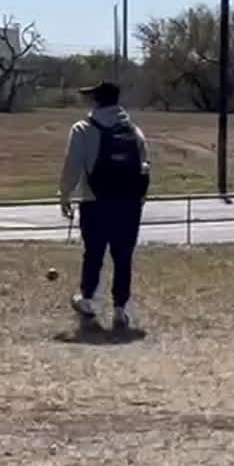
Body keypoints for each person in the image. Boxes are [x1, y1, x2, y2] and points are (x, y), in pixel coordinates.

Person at [57, 81, 151, 331]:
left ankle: (89, 301)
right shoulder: (134, 130)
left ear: (96, 101)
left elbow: (72, 166)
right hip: (129, 205)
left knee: (94, 254)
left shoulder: (83, 129)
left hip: (95, 202)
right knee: (123, 257)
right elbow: (144, 167)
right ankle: (121, 308)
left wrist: (64, 194)